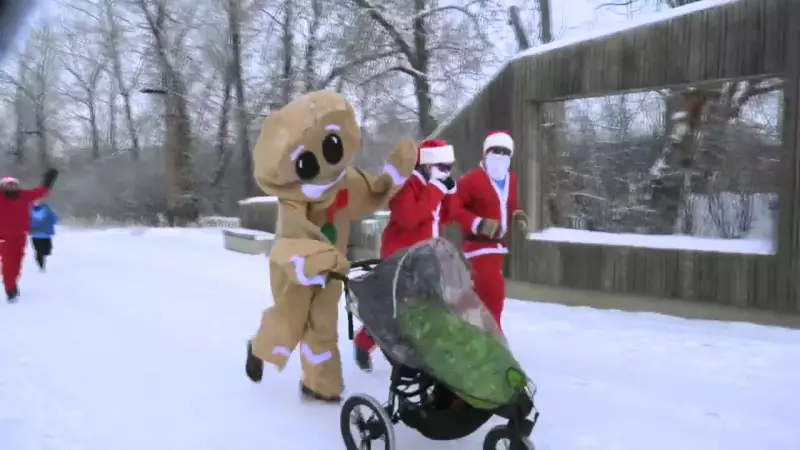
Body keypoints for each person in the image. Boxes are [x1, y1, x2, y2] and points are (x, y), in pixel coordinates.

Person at [242, 90, 417, 403]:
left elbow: (372, 195)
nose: (323, 166)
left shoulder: (345, 182)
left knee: (323, 327)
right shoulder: (293, 200)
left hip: (332, 271)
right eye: (308, 162)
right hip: (296, 272)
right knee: (290, 323)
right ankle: (259, 348)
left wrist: (392, 175)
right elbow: (291, 242)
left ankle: (320, 384)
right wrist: (321, 260)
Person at [353, 139, 460, 372]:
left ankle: (423, 356)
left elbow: (448, 216)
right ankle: (364, 341)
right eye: (442, 167)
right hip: (399, 257)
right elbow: (409, 217)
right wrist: (437, 190)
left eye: (449, 167)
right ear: (427, 165)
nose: (446, 172)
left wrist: (450, 193)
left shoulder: (434, 185)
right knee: (394, 310)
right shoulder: (406, 185)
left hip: (427, 257)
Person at [451, 131, 528, 328]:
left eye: (505, 152)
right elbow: (451, 208)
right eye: (495, 151)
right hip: (478, 246)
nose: (500, 155)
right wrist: (478, 223)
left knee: (481, 295)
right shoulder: (471, 180)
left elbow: (508, 203)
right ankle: (493, 338)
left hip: (499, 247)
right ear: (485, 153)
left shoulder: (511, 178)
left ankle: (461, 324)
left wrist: (516, 213)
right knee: (494, 294)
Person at [0, 169, 59, 302]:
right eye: (9, 184)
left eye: (14, 184)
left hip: (21, 236)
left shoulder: (23, 195)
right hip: (4, 238)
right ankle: (10, 289)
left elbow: (40, 192)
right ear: (3, 186)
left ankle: (13, 281)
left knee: (17, 263)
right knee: (8, 263)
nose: (13, 186)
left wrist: (48, 181)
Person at [30, 199, 58, 271]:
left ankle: (41, 259)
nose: (36, 203)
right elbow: (25, 221)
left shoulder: (46, 209)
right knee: (39, 251)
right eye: (35, 201)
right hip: (35, 235)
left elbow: (53, 218)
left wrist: (53, 221)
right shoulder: (29, 210)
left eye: (38, 201)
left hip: (46, 234)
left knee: (47, 250)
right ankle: (41, 266)